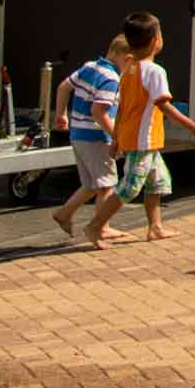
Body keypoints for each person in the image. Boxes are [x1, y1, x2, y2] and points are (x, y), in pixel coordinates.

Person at [83, 12, 195, 250]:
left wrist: (116, 138)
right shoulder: (154, 72)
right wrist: (193, 127)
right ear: (155, 40)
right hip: (142, 140)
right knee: (130, 187)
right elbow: (164, 106)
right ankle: (95, 226)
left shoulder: (130, 68)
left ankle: (155, 227)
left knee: (158, 181)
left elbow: (122, 108)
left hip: (142, 139)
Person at [51, 35, 133, 240]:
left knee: (92, 183)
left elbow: (63, 87)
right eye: (129, 61)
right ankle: (101, 227)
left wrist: (61, 114)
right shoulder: (111, 79)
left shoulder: (89, 67)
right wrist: (117, 137)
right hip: (96, 137)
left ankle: (64, 213)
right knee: (107, 184)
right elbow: (99, 112)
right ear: (122, 57)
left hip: (78, 134)